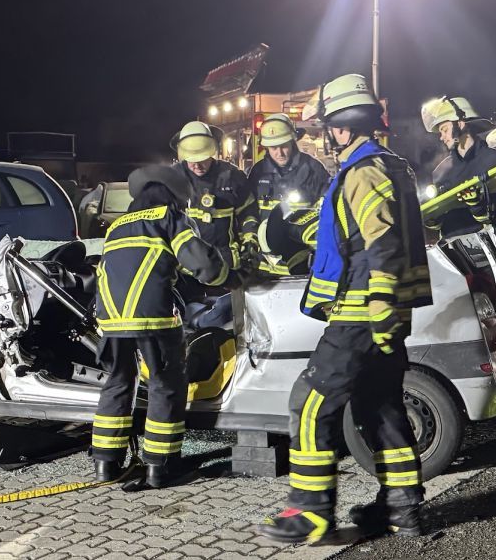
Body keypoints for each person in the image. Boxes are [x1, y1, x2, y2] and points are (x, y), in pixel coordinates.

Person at [257, 73, 432, 543]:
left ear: (341, 126)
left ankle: (311, 512)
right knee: (382, 406)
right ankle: (402, 511)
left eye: (327, 129)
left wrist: (377, 310)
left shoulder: (364, 169)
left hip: (361, 311)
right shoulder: (393, 165)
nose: (326, 139)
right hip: (383, 312)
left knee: (310, 402)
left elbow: (383, 243)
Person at [90, 165, 230, 488]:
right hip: (152, 317)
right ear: (173, 196)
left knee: (117, 383)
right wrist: (227, 276)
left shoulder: (116, 227)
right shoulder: (168, 218)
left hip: (111, 319)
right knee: (165, 384)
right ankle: (160, 467)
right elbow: (203, 264)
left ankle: (105, 465)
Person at [170, 121, 260, 276]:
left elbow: (249, 212)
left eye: (202, 158)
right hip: (186, 270)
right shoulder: (172, 179)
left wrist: (250, 240)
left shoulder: (233, 177)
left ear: (212, 152)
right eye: (192, 160)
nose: (197, 165)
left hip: (228, 265)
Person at [247, 113, 330, 276]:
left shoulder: (314, 170)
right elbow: (249, 214)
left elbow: (327, 215)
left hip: (301, 266)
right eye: (273, 148)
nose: (280, 153)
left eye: (284, 145)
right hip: (265, 269)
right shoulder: (257, 172)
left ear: (293, 142)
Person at [420, 96, 496, 235]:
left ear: (460, 124)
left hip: (490, 248)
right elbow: (440, 225)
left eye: (444, 129)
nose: (442, 137)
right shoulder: (441, 171)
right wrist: (432, 218)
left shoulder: (494, 160)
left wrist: (478, 207)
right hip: (454, 252)